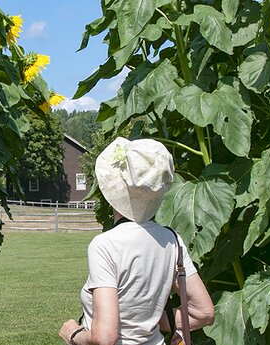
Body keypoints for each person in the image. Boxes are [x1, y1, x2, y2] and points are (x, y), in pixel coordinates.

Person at [59, 137, 214, 345]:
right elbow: (203, 313)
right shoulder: (172, 240)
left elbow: (105, 338)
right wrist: (152, 321)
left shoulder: (105, 245)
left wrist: (73, 333)